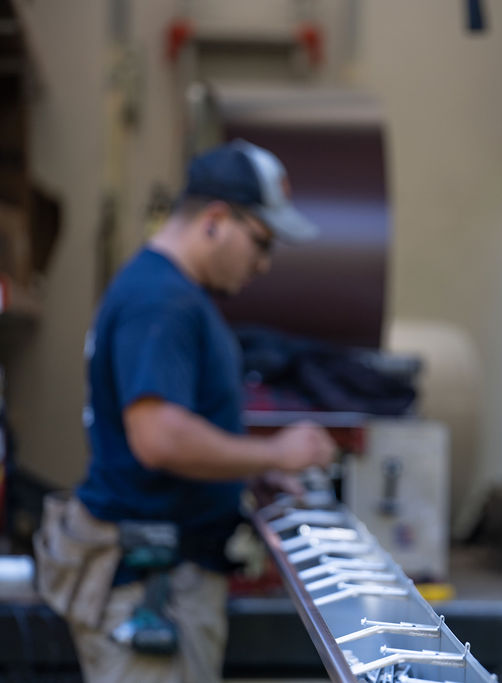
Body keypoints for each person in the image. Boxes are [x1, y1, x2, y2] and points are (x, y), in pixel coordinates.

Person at [34, 139, 336, 682]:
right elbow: (158, 437)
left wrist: (253, 469)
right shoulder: (161, 301)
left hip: (169, 579)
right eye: (261, 242)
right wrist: (276, 451)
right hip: (150, 590)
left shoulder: (172, 294)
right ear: (216, 219)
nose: (264, 264)